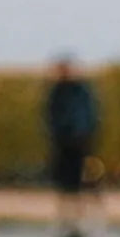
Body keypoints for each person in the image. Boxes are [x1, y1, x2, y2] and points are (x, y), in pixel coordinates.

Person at [41, 57, 98, 208]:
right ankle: (68, 209)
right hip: (63, 139)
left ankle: (81, 207)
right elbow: (50, 115)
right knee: (64, 177)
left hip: (79, 138)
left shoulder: (80, 91)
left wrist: (85, 134)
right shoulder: (57, 91)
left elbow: (88, 115)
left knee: (81, 175)